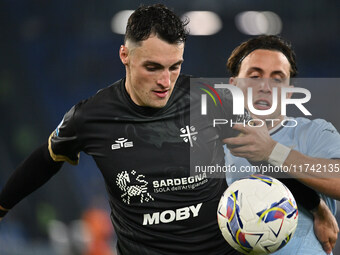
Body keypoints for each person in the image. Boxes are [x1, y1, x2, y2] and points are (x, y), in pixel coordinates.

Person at [0, 4, 248, 255]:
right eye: (152, 67)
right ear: (125, 56)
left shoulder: (211, 98)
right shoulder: (91, 116)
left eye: (174, 66)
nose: (165, 81)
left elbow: (266, 150)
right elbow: (45, 159)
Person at [223, 35, 340, 254]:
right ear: (233, 85)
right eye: (255, 76)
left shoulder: (315, 133)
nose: (265, 86)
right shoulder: (213, 145)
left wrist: (273, 151)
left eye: (277, 79)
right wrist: (318, 208)